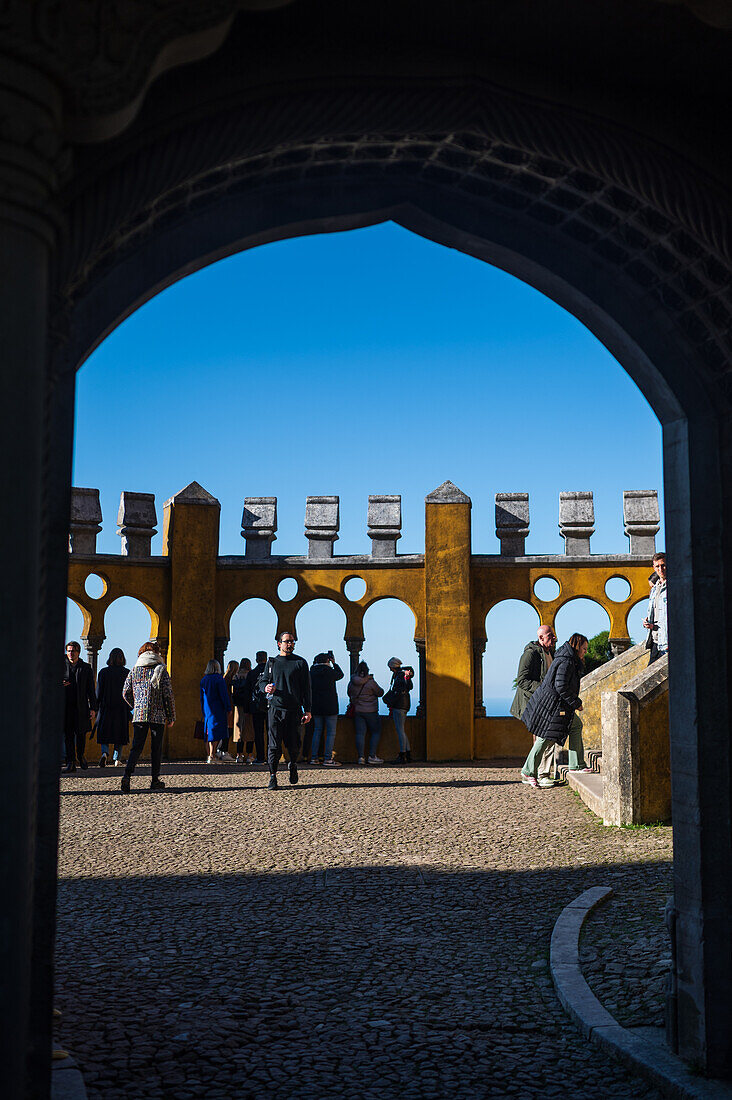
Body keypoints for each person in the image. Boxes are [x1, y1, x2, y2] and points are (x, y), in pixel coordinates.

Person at [520, 633, 589, 789]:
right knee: (545, 737)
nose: (585, 652)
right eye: (584, 648)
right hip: (552, 706)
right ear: (577, 646)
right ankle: (528, 771)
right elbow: (561, 686)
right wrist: (576, 703)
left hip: (558, 705)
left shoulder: (568, 659)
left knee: (575, 726)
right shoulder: (566, 661)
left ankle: (576, 764)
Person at [121, 641, 175, 793]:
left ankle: (127, 775)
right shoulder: (161, 670)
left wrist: (136, 705)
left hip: (139, 715)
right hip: (157, 715)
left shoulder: (135, 670)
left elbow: (125, 692)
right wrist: (170, 716)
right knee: (156, 748)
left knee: (136, 747)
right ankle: (155, 780)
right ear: (156, 653)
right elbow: (168, 695)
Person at [259, 631, 311, 790]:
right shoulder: (272, 663)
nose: (290, 644)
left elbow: (306, 689)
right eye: (287, 641)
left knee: (294, 744)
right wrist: (266, 687)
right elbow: (263, 682)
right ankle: (272, 776)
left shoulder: (300, 663)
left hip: (294, 710)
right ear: (279, 643)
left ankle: (293, 764)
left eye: (292, 641)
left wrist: (307, 710)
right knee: (273, 745)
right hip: (275, 709)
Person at [510, 625, 560, 786]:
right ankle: (540, 774)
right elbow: (522, 680)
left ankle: (533, 773)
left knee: (543, 736)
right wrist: (543, 689)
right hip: (532, 701)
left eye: (553, 636)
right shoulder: (530, 654)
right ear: (541, 638)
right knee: (546, 734)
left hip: (544, 701)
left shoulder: (550, 652)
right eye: (550, 636)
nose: (554, 638)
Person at [62, 641, 96, 773]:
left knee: (81, 734)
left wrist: (93, 708)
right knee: (68, 736)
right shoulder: (61, 666)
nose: (71, 653)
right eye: (69, 650)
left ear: (78, 652)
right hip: (66, 707)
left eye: (73, 651)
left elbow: (91, 690)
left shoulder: (86, 668)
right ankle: (70, 762)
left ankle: (80, 755)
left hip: (81, 707)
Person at [95, 648, 131, 766]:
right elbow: (130, 693)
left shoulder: (103, 672)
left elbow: (98, 692)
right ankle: (117, 759)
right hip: (121, 709)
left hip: (106, 707)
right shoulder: (127, 673)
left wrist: (96, 707)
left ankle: (104, 753)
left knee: (104, 733)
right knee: (119, 735)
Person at [309, 651, 344, 766]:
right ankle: (328, 758)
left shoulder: (311, 672)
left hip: (316, 707)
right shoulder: (330, 671)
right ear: (327, 661)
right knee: (330, 733)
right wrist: (335, 663)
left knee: (317, 731)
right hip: (330, 706)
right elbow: (340, 675)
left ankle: (314, 758)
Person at [347, 661, 384, 765]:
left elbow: (349, 693)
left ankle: (361, 757)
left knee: (360, 734)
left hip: (358, 711)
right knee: (376, 732)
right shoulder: (370, 682)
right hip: (371, 711)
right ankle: (372, 756)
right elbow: (380, 692)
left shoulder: (352, 681)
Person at [200, 660, 232, 764]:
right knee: (216, 733)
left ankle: (209, 755)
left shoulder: (204, 680)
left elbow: (201, 697)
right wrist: (228, 708)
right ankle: (212, 755)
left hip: (207, 709)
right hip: (217, 709)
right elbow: (224, 695)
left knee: (208, 732)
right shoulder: (219, 679)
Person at [385, 657, 413, 764]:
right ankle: (408, 754)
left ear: (393, 666)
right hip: (404, 704)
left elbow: (407, 686)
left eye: (390, 667)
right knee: (402, 730)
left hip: (399, 704)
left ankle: (403, 755)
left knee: (400, 730)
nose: (390, 669)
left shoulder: (400, 675)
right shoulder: (402, 674)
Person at [245, 650, 269, 764]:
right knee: (271, 732)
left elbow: (247, 691)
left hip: (256, 706)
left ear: (256, 659)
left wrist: (247, 709)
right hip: (270, 706)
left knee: (258, 733)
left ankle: (260, 757)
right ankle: (271, 757)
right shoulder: (271, 672)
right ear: (266, 659)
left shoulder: (252, 673)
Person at [643, 551, 668, 663]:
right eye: (657, 566)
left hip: (667, 642)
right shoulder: (654, 589)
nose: (660, 569)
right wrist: (648, 623)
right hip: (655, 640)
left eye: (663, 565)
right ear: (654, 568)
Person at [232, 657, 255, 763]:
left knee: (239, 732)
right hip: (248, 706)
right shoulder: (251, 675)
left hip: (238, 706)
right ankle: (249, 755)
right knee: (249, 732)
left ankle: (239, 755)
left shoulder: (235, 676)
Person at [220, 660, 239, 760]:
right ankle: (224, 750)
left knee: (226, 728)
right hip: (230, 706)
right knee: (229, 729)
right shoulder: (232, 679)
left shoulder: (223, 678)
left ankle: (222, 749)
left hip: (223, 706)